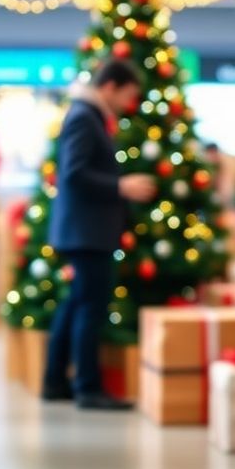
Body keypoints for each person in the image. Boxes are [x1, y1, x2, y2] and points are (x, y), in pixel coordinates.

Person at [43, 60, 157, 411]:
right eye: (127, 95)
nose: (128, 104)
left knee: (76, 304)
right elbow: (74, 173)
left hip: (85, 231)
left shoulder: (86, 115)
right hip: (86, 232)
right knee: (89, 308)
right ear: (110, 87)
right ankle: (87, 387)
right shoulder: (84, 117)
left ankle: (56, 381)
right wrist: (121, 185)